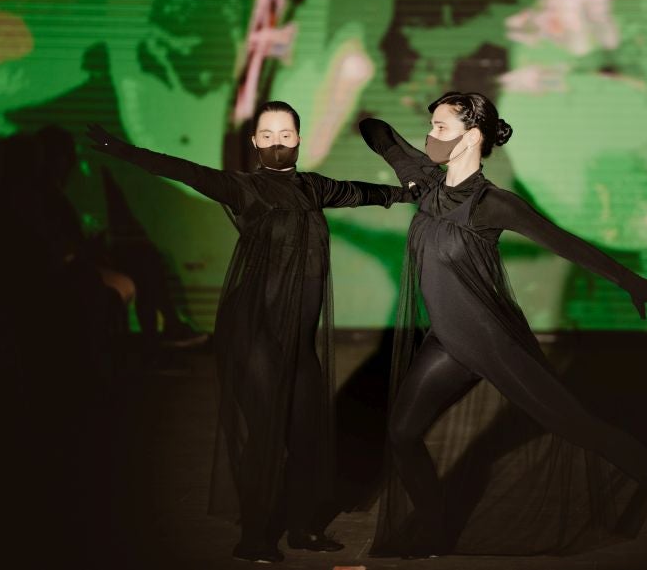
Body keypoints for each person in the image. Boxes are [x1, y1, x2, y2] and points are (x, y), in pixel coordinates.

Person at [358, 92, 647, 564]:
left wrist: (633, 283)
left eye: (440, 127)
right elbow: (375, 131)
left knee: (583, 429)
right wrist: (406, 170)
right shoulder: (427, 180)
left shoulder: (492, 204)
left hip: (491, 341)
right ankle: (435, 532)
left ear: (472, 136)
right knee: (402, 434)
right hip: (449, 342)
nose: (430, 136)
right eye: (431, 125)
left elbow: (566, 244)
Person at [86, 101, 415, 563]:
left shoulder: (314, 188)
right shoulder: (242, 188)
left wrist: (408, 193)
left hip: (297, 336)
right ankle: (255, 536)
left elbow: (361, 192)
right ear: (255, 142)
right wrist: (121, 150)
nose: (277, 141)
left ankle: (302, 527)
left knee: (307, 431)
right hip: (254, 328)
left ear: (299, 139)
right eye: (268, 134)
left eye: (286, 134)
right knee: (265, 431)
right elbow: (180, 168)